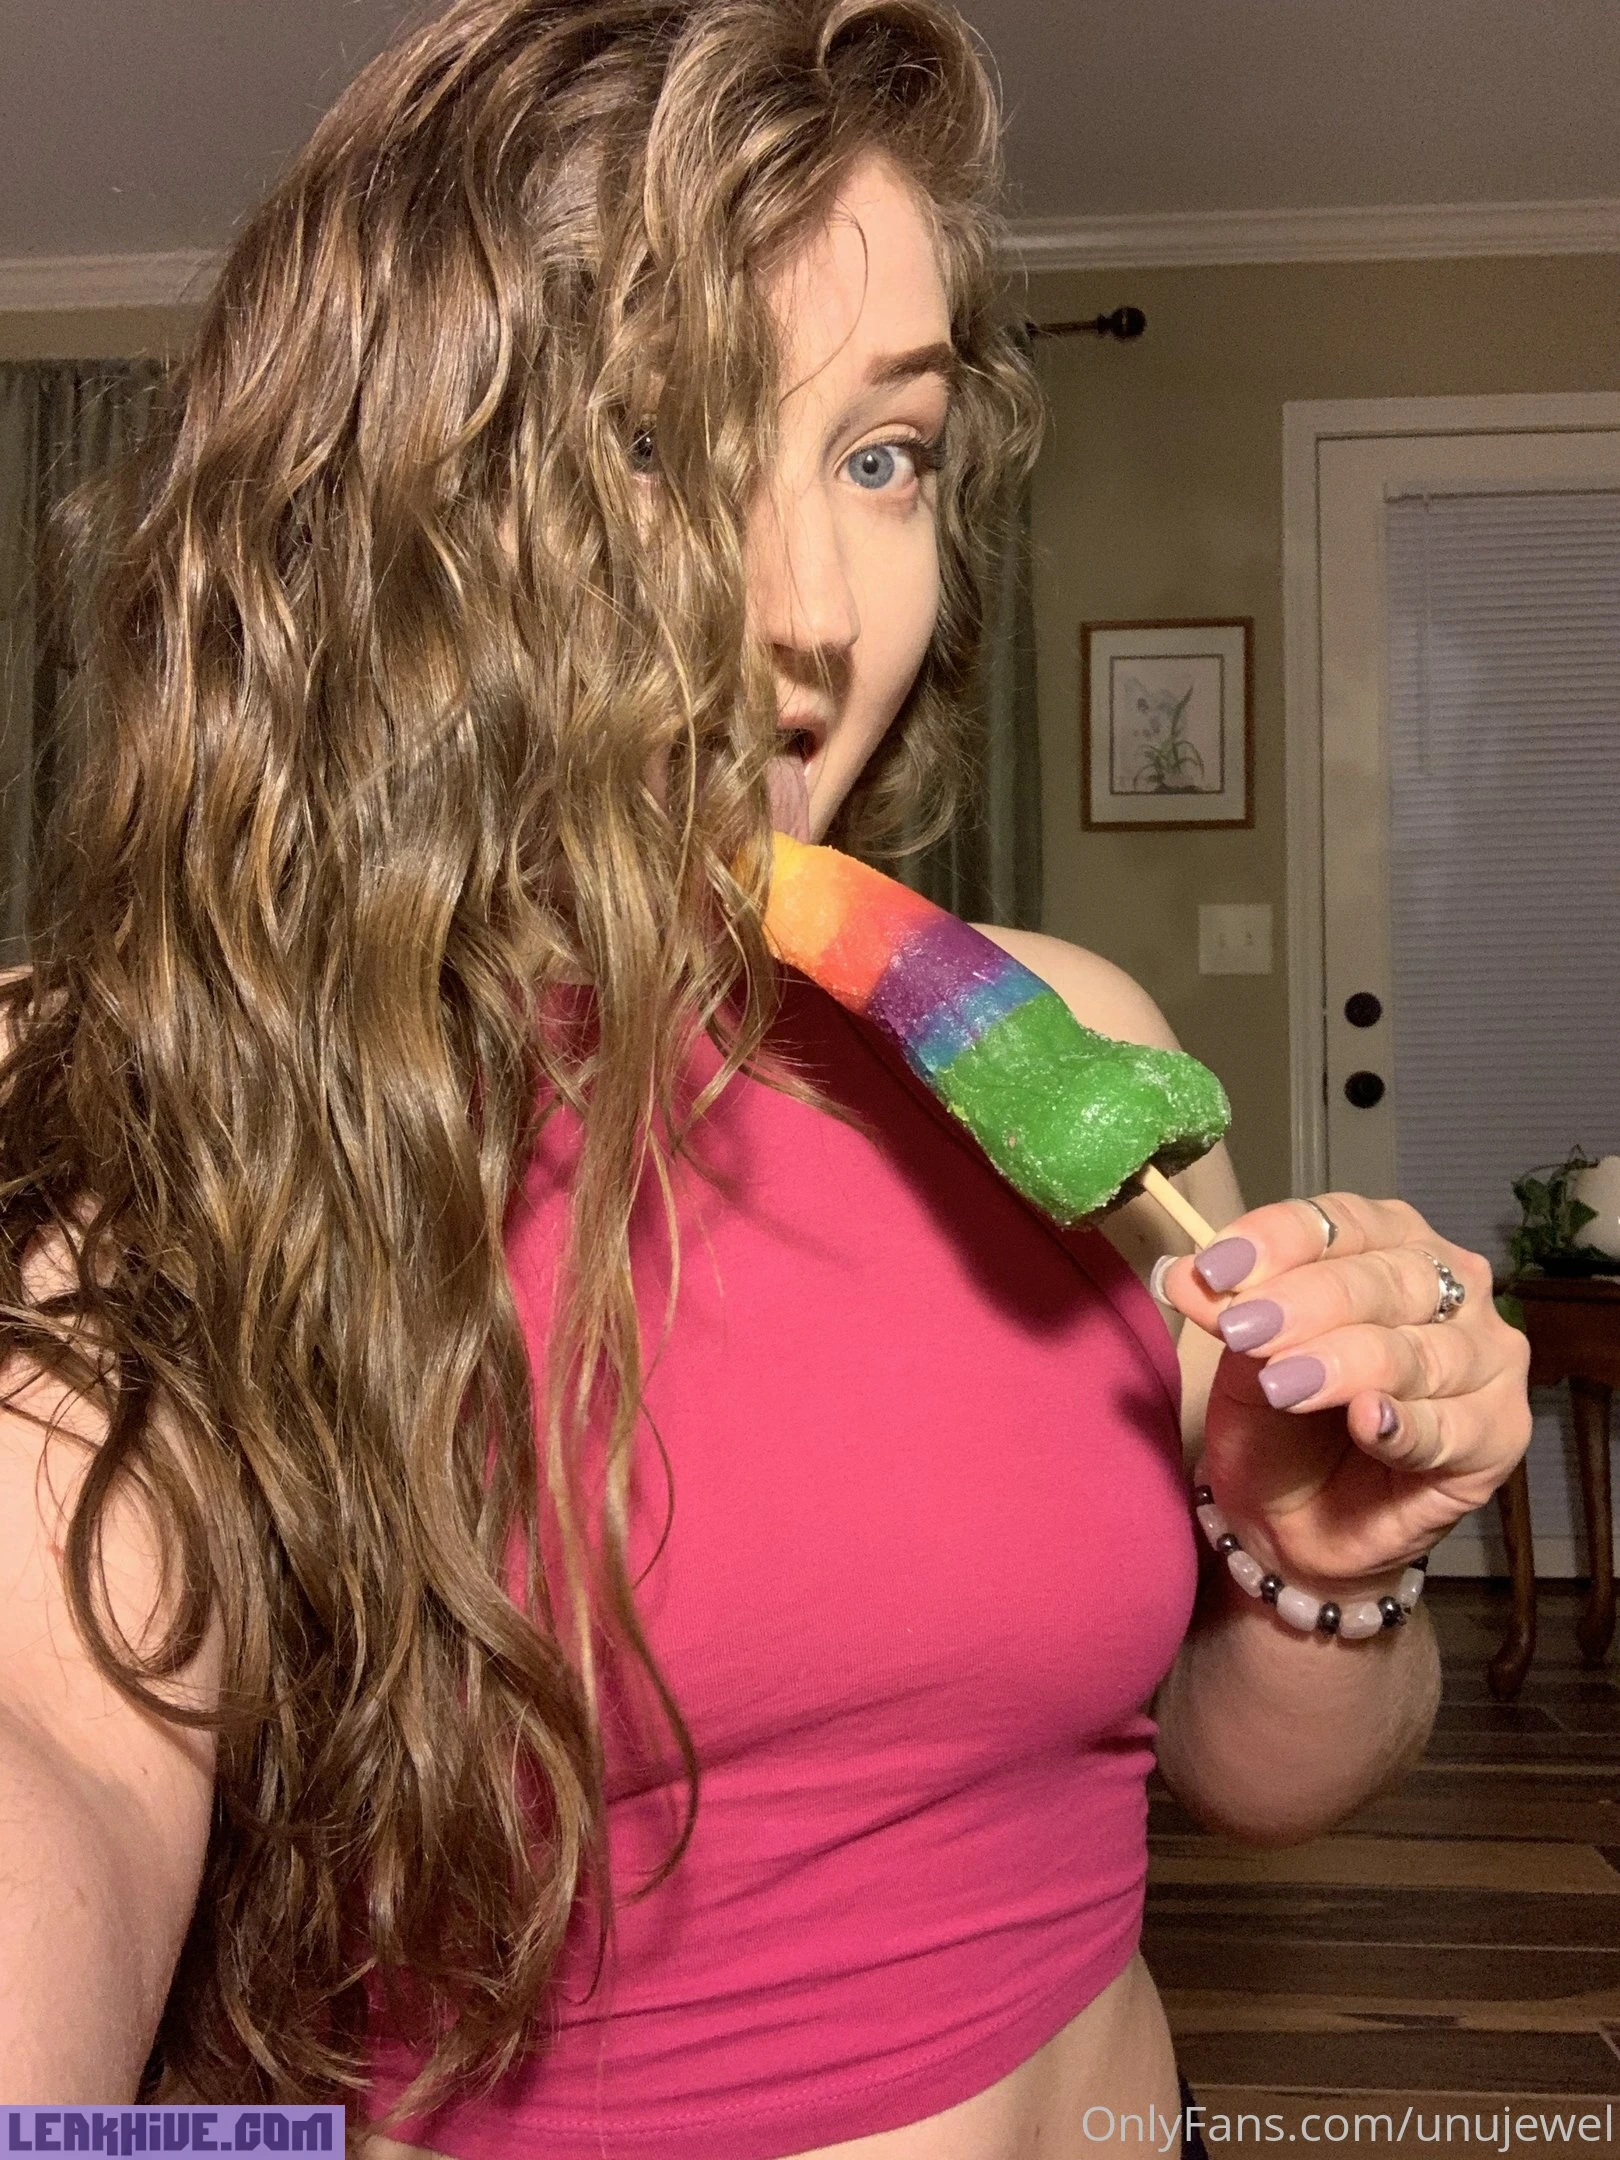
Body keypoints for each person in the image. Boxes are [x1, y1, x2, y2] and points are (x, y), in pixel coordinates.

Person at [0, 1, 1532, 2153]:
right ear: (373, 516)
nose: (812, 610)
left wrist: (1325, 1559)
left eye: (880, 454)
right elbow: (53, 1762)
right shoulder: (149, 1104)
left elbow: (1260, 1776)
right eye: (653, 443)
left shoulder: (1064, 1030)